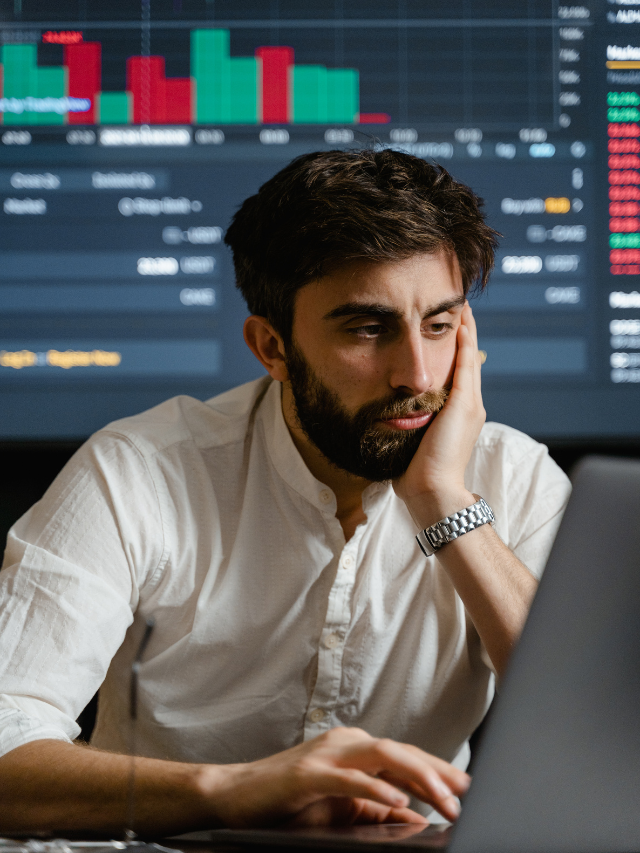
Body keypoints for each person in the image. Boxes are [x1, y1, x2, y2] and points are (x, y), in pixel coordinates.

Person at [0, 149, 570, 836]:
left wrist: (445, 501)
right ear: (272, 347)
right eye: (368, 328)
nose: (416, 373)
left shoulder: (518, 480)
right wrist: (236, 790)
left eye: (440, 325)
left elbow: (596, 733)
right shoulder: (138, 472)